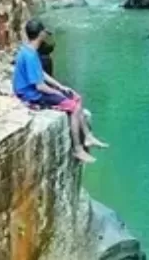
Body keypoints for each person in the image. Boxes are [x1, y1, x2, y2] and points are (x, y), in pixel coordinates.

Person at [13, 19, 107, 163]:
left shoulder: (28, 50)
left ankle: (88, 136)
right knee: (74, 107)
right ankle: (78, 149)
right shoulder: (30, 55)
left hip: (33, 90)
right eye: (44, 33)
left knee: (76, 97)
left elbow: (41, 74)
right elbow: (40, 86)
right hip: (31, 95)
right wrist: (56, 93)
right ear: (41, 34)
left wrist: (60, 87)